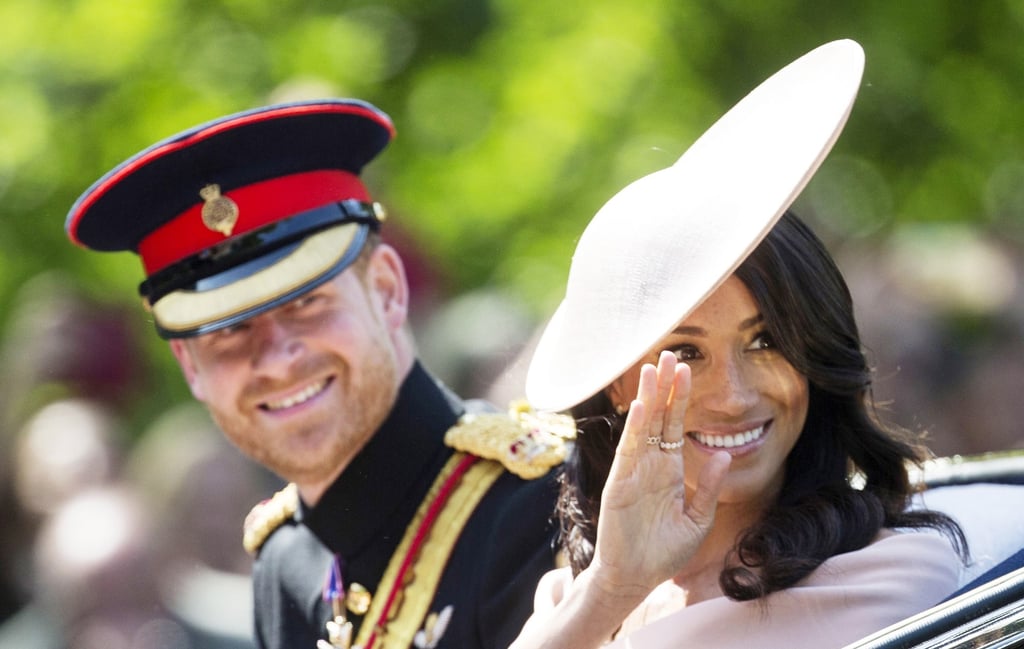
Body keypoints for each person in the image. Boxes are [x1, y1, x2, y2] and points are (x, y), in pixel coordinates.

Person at [511, 40, 968, 649]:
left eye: (766, 341)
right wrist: (612, 590)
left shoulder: (884, 578)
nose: (732, 395)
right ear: (618, 384)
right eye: (686, 354)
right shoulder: (571, 600)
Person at [64, 99, 568, 649]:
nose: (276, 357)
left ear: (387, 290)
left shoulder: (542, 503)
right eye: (228, 332)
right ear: (190, 367)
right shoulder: (286, 560)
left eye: (306, 305)